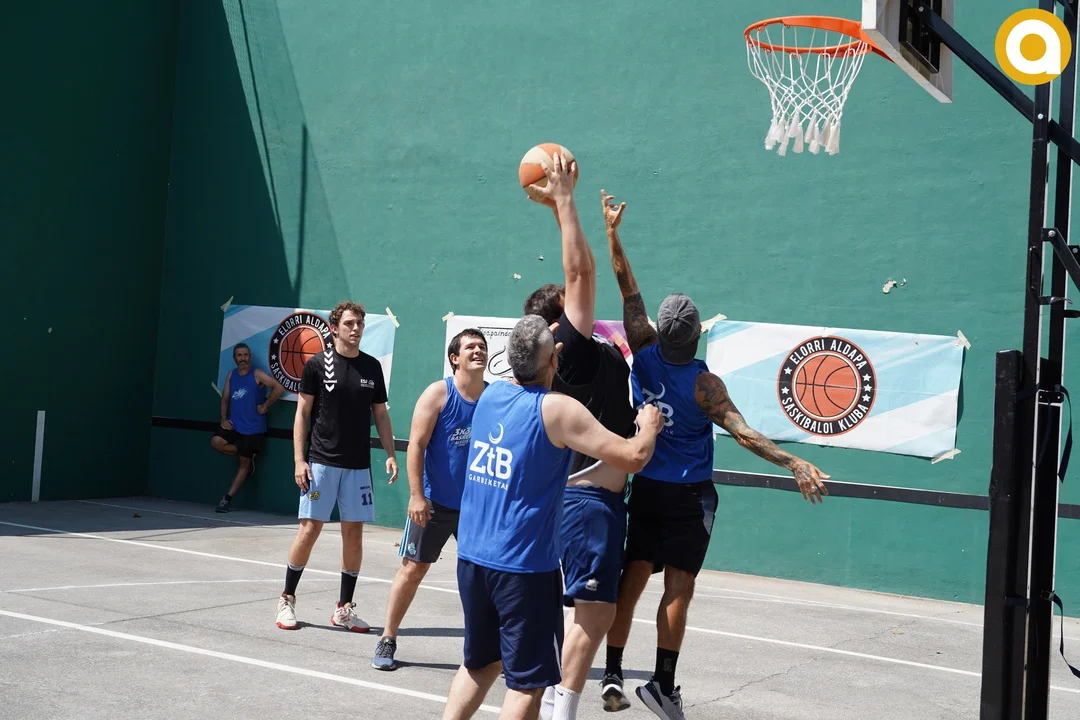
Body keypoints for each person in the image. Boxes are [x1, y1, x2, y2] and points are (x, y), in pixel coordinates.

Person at [600, 196, 831, 720]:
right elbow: (744, 434)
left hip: (648, 486)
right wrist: (793, 463)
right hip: (688, 495)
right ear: (698, 333)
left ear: (660, 330)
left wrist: (612, 232)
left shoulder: (642, 349)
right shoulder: (705, 385)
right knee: (678, 587)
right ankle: (662, 685)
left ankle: (612, 671)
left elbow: (627, 286)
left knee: (632, 578)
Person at [441, 315, 665, 720]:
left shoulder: (490, 396)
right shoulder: (557, 410)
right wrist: (648, 427)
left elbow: (525, 364)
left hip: (473, 559)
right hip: (523, 570)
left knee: (480, 664)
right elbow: (633, 457)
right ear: (554, 360)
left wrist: (542, 351)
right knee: (527, 686)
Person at [522, 155, 637, 720]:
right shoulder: (572, 355)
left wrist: (559, 212)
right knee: (592, 618)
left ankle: (551, 699)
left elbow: (582, 271)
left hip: (585, 501)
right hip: (587, 502)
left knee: (592, 615)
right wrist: (565, 201)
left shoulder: (575, 355)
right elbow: (580, 276)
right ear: (559, 327)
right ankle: (558, 709)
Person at [275, 300, 399, 632]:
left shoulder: (372, 367)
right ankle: (287, 598)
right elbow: (302, 414)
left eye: (360, 323)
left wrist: (390, 453)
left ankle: (344, 609)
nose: (356, 328)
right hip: (321, 466)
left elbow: (381, 414)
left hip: (358, 468)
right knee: (309, 529)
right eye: (349, 323)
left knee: (354, 535)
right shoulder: (317, 364)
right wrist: (299, 460)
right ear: (334, 328)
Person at [371, 328, 489, 670]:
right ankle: (387, 638)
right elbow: (417, 446)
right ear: (454, 358)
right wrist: (416, 496)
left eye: (482, 346)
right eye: (470, 347)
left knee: (483, 577)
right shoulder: (438, 394)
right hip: (433, 503)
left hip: (476, 508)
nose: (478, 351)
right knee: (413, 569)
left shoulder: (494, 398)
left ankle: (484, 647)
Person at [210, 343, 284, 513]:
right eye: (239, 355)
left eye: (245, 355)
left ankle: (227, 499)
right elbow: (225, 399)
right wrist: (223, 419)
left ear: (249, 357)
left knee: (243, 463)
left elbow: (278, 387)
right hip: (235, 425)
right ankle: (246, 453)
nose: (242, 358)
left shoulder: (257, 374)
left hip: (254, 428)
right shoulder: (231, 375)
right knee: (216, 442)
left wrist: (265, 405)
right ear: (234, 358)